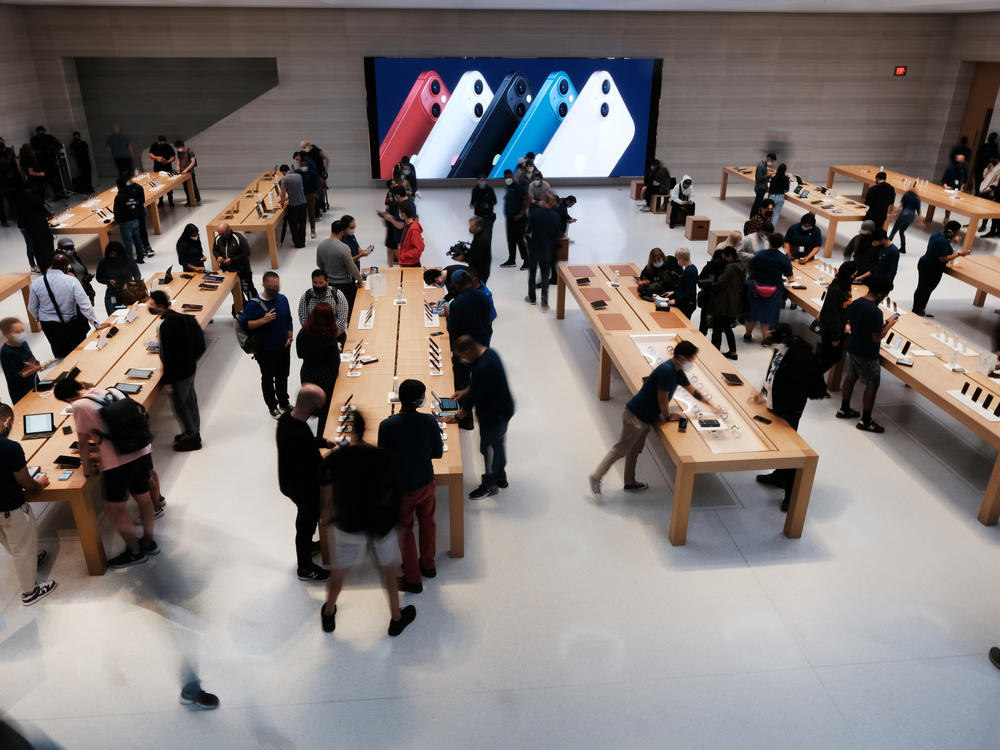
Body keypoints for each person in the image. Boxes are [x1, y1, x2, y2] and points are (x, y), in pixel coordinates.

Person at [318, 412, 416, 637]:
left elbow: (325, 485)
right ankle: (396, 619)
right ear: (366, 429)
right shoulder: (383, 457)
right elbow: (396, 491)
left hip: (348, 523)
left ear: (349, 430)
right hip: (380, 523)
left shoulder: (335, 457)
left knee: (338, 573)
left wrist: (328, 510)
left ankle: (329, 612)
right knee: (388, 573)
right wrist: (398, 522)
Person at [589, 340, 717, 495]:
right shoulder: (667, 372)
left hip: (645, 417)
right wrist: (669, 417)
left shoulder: (678, 371)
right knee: (620, 450)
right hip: (635, 416)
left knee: (634, 450)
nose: (692, 362)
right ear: (682, 357)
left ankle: (629, 483)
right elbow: (662, 400)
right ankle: (596, 477)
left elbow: (693, 391)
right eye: (692, 358)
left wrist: (712, 406)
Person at [54, 377, 158, 568]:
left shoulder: (79, 406)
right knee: (144, 499)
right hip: (141, 450)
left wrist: (87, 469)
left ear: (67, 399)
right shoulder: (106, 391)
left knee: (115, 508)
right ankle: (149, 542)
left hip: (118, 462)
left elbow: (83, 443)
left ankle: (135, 553)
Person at [752, 323, 827, 511]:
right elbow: (774, 371)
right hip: (776, 403)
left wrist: (780, 397)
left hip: (789, 408)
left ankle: (791, 496)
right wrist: (763, 391)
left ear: (784, 339)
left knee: (789, 449)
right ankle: (779, 476)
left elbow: (799, 383)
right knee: (780, 446)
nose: (771, 345)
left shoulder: (800, 355)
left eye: (774, 341)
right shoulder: (782, 348)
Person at [378, 379, 443, 594]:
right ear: (419, 400)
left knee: (405, 530)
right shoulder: (430, 421)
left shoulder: (387, 425)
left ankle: (413, 578)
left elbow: (383, 459)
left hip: (402, 487)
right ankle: (428, 565)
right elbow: (437, 453)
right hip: (426, 481)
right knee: (428, 522)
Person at [276, 384, 333, 584]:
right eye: (321, 405)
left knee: (306, 521)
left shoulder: (287, 420)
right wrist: (325, 504)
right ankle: (305, 567)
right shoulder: (298, 433)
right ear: (311, 406)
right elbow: (321, 473)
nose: (322, 407)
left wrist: (323, 442)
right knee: (306, 523)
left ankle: (308, 546)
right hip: (302, 486)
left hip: (290, 481)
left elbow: (307, 441)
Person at [0, 403, 56, 606]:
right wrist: (38, 483)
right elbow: (25, 482)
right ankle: (30, 592)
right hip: (10, 507)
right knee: (22, 546)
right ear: (7, 421)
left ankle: (31, 560)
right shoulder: (9, 447)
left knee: (10, 542)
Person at [451, 335, 514, 499]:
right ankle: (501, 477)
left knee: (489, 450)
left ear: (469, 350)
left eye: (463, 356)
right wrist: (464, 391)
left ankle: (490, 485)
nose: (463, 360)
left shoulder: (482, 367)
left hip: (493, 416)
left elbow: (473, 398)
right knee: (498, 444)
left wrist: (458, 416)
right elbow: (480, 385)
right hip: (504, 409)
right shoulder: (490, 353)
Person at [836, 275, 897, 433]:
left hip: (853, 347)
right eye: (886, 294)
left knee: (851, 377)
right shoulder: (875, 312)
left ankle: (844, 408)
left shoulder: (856, 303)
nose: (885, 297)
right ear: (881, 293)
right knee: (872, 384)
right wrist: (889, 325)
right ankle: (866, 420)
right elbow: (877, 337)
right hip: (867, 353)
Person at [148, 290, 205, 452]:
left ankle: (193, 437)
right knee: (191, 401)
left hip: (179, 373)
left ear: (159, 306)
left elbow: (168, 356)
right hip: (189, 368)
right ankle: (192, 431)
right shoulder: (183, 318)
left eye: (151, 304)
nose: (149, 306)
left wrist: (168, 380)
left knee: (182, 405)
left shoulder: (165, 326)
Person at [238, 271, 293, 418]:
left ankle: (284, 402)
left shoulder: (282, 299)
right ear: (264, 285)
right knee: (268, 378)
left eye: (277, 288)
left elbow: (288, 318)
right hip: (265, 350)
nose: (275, 291)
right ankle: (272, 406)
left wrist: (290, 335)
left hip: (284, 346)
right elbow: (244, 324)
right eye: (272, 288)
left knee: (283, 376)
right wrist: (263, 320)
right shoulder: (253, 305)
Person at [28, 254, 106, 358]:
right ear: (66, 267)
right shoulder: (71, 280)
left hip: (49, 326)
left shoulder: (36, 283)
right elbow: (85, 305)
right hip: (71, 325)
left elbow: (32, 307)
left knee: (59, 355)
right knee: (77, 354)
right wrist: (96, 323)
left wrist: (40, 318)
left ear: (51, 265)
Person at [446, 270, 492, 421]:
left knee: (462, 380)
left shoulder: (457, 304)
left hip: (464, 349)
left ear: (457, 286)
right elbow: (487, 319)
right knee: (480, 377)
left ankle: (466, 419)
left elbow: (452, 329)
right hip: (482, 345)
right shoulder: (485, 297)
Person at [295, 302, 340, 437]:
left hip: (307, 374)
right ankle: (321, 438)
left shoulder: (303, 332)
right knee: (324, 410)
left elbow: (299, 354)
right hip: (324, 377)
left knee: (306, 406)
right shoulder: (330, 338)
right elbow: (335, 363)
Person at [744, 232, 793, 343]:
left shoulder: (760, 254)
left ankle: (747, 335)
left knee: (752, 313)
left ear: (769, 242)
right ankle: (765, 339)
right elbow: (790, 277)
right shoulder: (783, 258)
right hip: (773, 290)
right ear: (781, 244)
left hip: (754, 288)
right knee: (767, 316)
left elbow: (750, 268)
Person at [912, 221, 967, 317]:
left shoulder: (936, 235)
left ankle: (918, 308)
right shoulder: (943, 242)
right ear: (953, 232)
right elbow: (943, 258)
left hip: (924, 264)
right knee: (926, 289)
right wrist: (959, 254)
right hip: (932, 268)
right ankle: (918, 309)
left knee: (922, 288)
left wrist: (951, 241)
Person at [316, 220, 364, 321]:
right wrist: (359, 280)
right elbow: (352, 268)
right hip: (346, 287)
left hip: (329, 285)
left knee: (333, 313)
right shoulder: (343, 248)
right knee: (349, 314)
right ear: (342, 232)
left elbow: (319, 264)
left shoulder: (321, 246)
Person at [817, 261, 857, 374]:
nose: (855, 277)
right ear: (848, 275)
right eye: (854, 274)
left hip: (840, 327)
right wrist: (836, 336)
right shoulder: (836, 290)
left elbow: (847, 307)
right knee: (828, 358)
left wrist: (848, 322)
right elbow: (832, 315)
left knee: (833, 357)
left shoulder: (846, 287)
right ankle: (813, 379)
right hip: (832, 330)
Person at [525, 192, 561, 312]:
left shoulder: (535, 214)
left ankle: (532, 298)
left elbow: (528, 231)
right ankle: (544, 300)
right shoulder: (556, 216)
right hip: (547, 250)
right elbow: (557, 236)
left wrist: (529, 242)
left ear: (543, 201)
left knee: (532, 274)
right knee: (545, 275)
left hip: (534, 248)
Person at [0, 318, 49, 404]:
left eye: (22, 330)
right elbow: (13, 377)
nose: (21, 334)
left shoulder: (24, 343)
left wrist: (41, 364)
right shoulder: (6, 352)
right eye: (17, 332)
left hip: (34, 384)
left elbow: (32, 361)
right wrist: (30, 371)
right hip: (21, 392)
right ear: (7, 334)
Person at [711, 246, 745, 360]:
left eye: (724, 257)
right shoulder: (741, 266)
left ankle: (714, 352)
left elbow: (720, 283)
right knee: (726, 327)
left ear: (729, 257)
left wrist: (712, 282)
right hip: (734, 302)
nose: (723, 260)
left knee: (717, 328)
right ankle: (733, 352)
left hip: (723, 302)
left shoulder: (730, 268)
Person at [213, 222, 257, 302]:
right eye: (219, 234)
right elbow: (215, 250)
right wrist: (218, 256)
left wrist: (232, 260)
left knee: (249, 290)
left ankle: (256, 306)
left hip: (242, 271)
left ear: (228, 230)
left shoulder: (239, 238)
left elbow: (247, 253)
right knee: (236, 293)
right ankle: (241, 307)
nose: (220, 236)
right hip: (228, 272)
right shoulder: (218, 238)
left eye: (222, 234)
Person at [297, 269, 348, 336]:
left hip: (335, 336)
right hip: (314, 338)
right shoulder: (306, 297)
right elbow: (303, 319)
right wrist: (317, 336)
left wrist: (328, 335)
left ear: (327, 281)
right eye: (315, 283)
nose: (318, 286)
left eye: (320, 283)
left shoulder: (338, 295)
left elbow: (342, 319)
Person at [95, 241, 141, 316]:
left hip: (127, 293)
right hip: (112, 293)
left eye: (114, 254)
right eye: (111, 254)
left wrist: (130, 285)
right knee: (113, 315)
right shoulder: (104, 262)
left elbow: (137, 275)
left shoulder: (128, 260)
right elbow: (99, 277)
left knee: (129, 315)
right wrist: (108, 281)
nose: (112, 256)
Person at [15, 184, 52, 272]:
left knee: (30, 244)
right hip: (28, 226)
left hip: (23, 226)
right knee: (33, 245)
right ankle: (36, 265)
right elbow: (41, 209)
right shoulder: (33, 198)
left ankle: (33, 265)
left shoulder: (19, 198)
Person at [113, 174, 147, 263]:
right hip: (135, 219)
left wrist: (118, 220)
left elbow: (116, 211)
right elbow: (137, 204)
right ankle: (141, 256)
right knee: (137, 239)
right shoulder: (132, 193)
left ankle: (130, 260)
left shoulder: (119, 197)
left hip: (125, 222)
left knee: (128, 242)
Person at [500, 168, 529, 269]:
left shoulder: (518, 187)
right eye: (505, 177)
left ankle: (527, 261)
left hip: (519, 219)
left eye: (509, 177)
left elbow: (528, 198)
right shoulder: (508, 188)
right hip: (510, 219)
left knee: (520, 240)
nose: (507, 179)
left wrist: (522, 212)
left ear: (512, 176)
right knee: (511, 240)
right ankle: (511, 260)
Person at [278, 163, 307, 248]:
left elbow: (283, 194)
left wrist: (282, 203)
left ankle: (297, 244)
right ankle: (303, 242)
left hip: (294, 205)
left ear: (283, 172)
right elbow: (299, 188)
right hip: (303, 203)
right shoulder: (298, 175)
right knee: (302, 224)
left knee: (293, 224)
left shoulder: (284, 179)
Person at [29, 127, 62, 199]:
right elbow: (35, 151)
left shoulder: (49, 137)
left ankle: (58, 193)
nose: (41, 133)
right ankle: (57, 193)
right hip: (44, 162)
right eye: (40, 132)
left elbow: (58, 146)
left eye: (42, 131)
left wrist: (47, 151)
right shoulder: (36, 139)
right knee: (50, 178)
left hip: (49, 160)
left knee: (54, 178)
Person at [295, 151, 320, 239]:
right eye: (301, 162)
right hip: (301, 195)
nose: (303, 164)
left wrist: (316, 193)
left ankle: (313, 230)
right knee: (301, 214)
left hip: (310, 195)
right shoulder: (296, 172)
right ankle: (302, 232)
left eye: (304, 162)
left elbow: (318, 182)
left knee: (311, 213)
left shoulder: (312, 173)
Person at [669, 247, 698, 319]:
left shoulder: (688, 272)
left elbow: (689, 292)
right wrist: (674, 292)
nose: (677, 261)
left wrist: (676, 301)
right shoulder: (693, 268)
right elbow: (684, 287)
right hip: (687, 302)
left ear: (681, 259)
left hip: (686, 305)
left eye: (677, 259)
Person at [148, 135, 176, 207]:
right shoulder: (154, 146)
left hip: (167, 167)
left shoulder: (168, 146)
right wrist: (157, 158)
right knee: (158, 184)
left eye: (164, 142)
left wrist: (168, 161)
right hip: (157, 168)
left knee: (169, 184)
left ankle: (170, 200)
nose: (163, 143)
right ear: (159, 141)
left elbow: (173, 157)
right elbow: (150, 155)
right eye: (162, 142)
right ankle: (160, 201)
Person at [0, 136, 22, 227]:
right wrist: (10, 154)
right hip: (3, 180)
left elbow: (14, 162)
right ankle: (5, 220)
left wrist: (20, 173)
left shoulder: (8, 150)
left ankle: (18, 217)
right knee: (7, 200)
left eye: (1, 141)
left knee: (17, 198)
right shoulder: (7, 152)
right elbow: (4, 165)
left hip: (15, 177)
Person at [396, 201, 425, 267]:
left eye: (400, 212)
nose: (399, 214)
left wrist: (404, 255)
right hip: (405, 262)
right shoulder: (407, 224)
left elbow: (419, 248)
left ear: (404, 214)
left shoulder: (414, 229)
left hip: (411, 264)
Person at [466, 215, 492, 283]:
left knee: (479, 292)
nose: (469, 228)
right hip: (476, 270)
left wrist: (463, 259)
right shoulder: (478, 234)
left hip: (480, 273)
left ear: (479, 227)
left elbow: (477, 258)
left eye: (472, 226)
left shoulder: (483, 239)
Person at [978, 158, 1000, 237]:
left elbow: (997, 182)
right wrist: (987, 168)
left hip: (990, 191)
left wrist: (990, 188)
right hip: (984, 189)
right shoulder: (993, 167)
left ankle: (985, 226)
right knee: (979, 207)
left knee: (989, 210)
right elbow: (985, 176)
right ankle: (974, 222)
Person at [174, 140, 200, 205]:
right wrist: (178, 166)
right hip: (182, 172)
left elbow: (193, 162)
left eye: (178, 147)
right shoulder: (179, 152)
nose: (178, 149)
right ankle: (189, 200)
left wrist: (186, 169)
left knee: (193, 186)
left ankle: (196, 199)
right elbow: (179, 159)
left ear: (182, 146)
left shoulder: (190, 151)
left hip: (190, 172)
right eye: (177, 148)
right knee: (185, 187)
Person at [750, 153, 776, 218]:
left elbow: (762, 176)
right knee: (757, 205)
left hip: (763, 187)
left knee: (758, 204)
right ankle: (752, 217)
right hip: (760, 188)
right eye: (772, 161)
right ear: (769, 158)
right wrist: (768, 175)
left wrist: (767, 175)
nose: (771, 162)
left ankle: (755, 216)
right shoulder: (761, 166)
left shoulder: (764, 164)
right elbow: (759, 179)